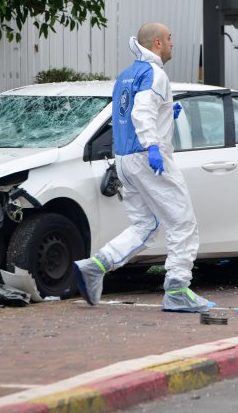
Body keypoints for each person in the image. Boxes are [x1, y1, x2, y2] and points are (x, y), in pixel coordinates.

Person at [73, 22, 212, 313]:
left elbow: (127, 114)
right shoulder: (155, 73)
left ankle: (95, 266)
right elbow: (141, 111)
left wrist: (166, 114)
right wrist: (152, 146)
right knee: (182, 222)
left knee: (145, 225)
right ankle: (177, 289)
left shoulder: (127, 75)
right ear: (158, 43)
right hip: (148, 158)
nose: (174, 43)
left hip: (124, 159)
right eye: (170, 38)